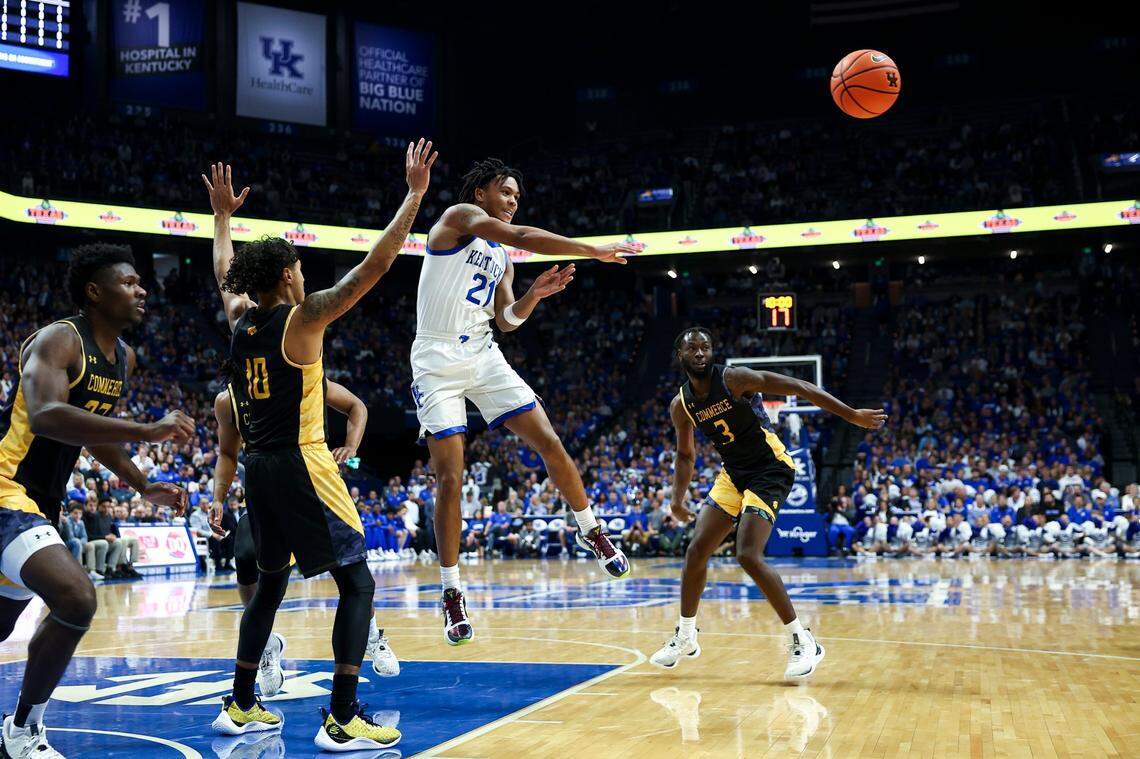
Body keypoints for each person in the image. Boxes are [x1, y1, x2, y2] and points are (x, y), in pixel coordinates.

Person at [201, 143, 433, 750]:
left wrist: (222, 218)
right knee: (358, 584)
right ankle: (342, 716)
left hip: (258, 467)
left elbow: (225, 272)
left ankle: (242, 701)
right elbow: (374, 268)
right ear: (286, 275)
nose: (304, 272)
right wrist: (413, 196)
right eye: (299, 266)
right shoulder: (302, 319)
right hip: (303, 462)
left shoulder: (240, 319)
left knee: (272, 586)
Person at [413, 157, 635, 646]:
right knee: (451, 477)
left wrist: (533, 294)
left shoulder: (501, 257)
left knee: (550, 441)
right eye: (505, 192)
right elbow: (527, 236)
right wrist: (592, 250)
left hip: (483, 352)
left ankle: (590, 529)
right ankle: (451, 592)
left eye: (517, 195)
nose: (513, 201)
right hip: (435, 359)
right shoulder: (458, 219)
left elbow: (508, 320)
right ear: (481, 196)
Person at [0, 244, 192, 757]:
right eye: (128, 282)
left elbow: (93, 434)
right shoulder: (61, 338)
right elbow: (45, 414)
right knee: (77, 598)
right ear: (94, 292)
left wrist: (140, 483)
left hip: (40, 504)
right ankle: (22, 730)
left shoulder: (122, 358)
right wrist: (147, 431)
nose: (142, 289)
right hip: (5, 489)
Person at [649, 327, 886, 680]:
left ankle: (804, 641)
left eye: (705, 347)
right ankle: (686, 635)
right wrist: (677, 499)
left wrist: (850, 415)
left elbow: (798, 387)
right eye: (692, 349)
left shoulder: (735, 379)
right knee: (697, 549)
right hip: (735, 473)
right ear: (680, 355)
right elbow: (685, 455)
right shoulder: (681, 405)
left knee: (747, 554)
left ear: (712, 352)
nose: (700, 353)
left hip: (771, 468)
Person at [210, 381, 401, 702]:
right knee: (247, 559)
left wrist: (351, 448)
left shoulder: (299, 372)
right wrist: (218, 496)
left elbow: (357, 406)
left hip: (315, 484)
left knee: (354, 574)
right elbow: (227, 453)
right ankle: (266, 648)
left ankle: (370, 634)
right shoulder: (227, 400)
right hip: (268, 489)